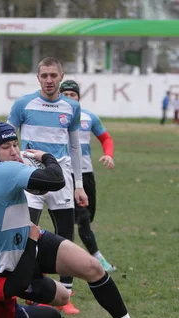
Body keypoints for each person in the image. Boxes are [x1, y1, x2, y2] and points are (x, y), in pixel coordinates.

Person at [0, 122, 161, 318]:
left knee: (92, 269)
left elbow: (25, 188)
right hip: (10, 265)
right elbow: (56, 180)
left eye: (14, 144)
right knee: (59, 297)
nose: (13, 151)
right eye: (5, 147)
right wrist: (45, 156)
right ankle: (25, 293)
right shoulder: (6, 171)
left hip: (30, 236)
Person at [7, 57, 88, 315]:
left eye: (54, 75)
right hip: (30, 177)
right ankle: (33, 288)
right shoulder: (23, 104)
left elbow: (75, 147)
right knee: (25, 235)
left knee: (65, 236)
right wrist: (11, 171)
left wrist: (79, 185)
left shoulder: (71, 107)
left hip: (61, 178)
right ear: (38, 78)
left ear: (61, 76)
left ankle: (67, 294)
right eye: (45, 76)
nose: (49, 80)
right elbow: (8, 140)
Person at [59, 80, 115, 272]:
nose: (69, 98)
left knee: (87, 217)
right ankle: (95, 258)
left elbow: (106, 138)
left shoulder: (88, 117)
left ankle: (73, 256)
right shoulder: (54, 116)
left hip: (86, 174)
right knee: (81, 217)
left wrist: (108, 154)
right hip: (65, 174)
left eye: (72, 95)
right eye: (64, 95)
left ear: (78, 97)